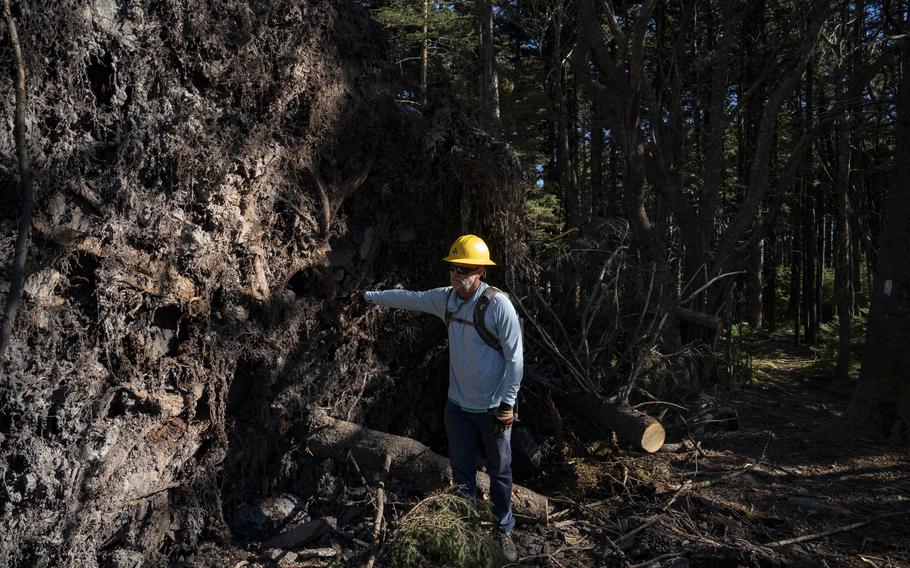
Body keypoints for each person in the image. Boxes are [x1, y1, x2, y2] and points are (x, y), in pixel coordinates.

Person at [362, 234, 524, 561]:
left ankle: (504, 530)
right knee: (461, 471)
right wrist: (370, 297)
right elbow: (411, 298)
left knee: (500, 472)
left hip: (494, 409)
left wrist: (507, 405)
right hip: (458, 407)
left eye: (463, 269)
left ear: (480, 270)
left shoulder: (497, 305)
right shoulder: (446, 299)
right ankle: (466, 529)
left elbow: (515, 359)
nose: (455, 274)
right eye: (452, 268)